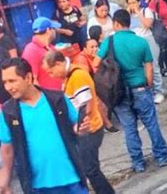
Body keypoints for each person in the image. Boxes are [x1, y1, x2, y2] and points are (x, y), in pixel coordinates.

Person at [0, 58, 90, 193]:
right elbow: (6, 151)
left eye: (12, 81)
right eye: (5, 82)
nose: (8, 87)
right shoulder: (8, 112)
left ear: (28, 78)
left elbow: (76, 127)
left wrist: (82, 129)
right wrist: (3, 185)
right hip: (38, 187)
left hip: (72, 179)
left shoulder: (57, 99)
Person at [94, 10, 167, 172]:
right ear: (129, 22)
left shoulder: (109, 41)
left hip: (119, 92)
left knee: (129, 128)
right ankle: (162, 157)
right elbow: (149, 69)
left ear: (116, 24)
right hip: (140, 88)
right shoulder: (141, 42)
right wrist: (148, 85)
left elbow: (95, 63)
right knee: (151, 124)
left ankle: (138, 163)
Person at [42, 51, 115, 194]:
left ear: (58, 64)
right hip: (85, 129)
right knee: (89, 168)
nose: (51, 76)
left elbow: (84, 107)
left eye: (51, 72)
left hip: (89, 129)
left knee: (91, 170)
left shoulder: (77, 76)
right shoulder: (70, 76)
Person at [73, 38, 119, 133]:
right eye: (91, 47)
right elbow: (84, 80)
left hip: (94, 84)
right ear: (84, 49)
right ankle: (107, 124)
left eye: (96, 46)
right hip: (84, 88)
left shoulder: (95, 56)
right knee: (98, 101)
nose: (95, 49)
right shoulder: (81, 59)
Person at [126, 0, 164, 104]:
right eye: (129, 3)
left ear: (138, 2)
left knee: (153, 65)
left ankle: (158, 90)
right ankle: (149, 91)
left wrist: (138, 13)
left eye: (134, 2)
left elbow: (147, 24)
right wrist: (128, 14)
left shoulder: (145, 11)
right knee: (142, 67)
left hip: (147, 40)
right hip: (135, 42)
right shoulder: (128, 16)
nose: (132, 5)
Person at [21, 17, 63, 90]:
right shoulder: (31, 50)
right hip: (50, 98)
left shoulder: (51, 47)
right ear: (48, 30)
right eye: (54, 29)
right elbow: (32, 80)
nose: (55, 31)